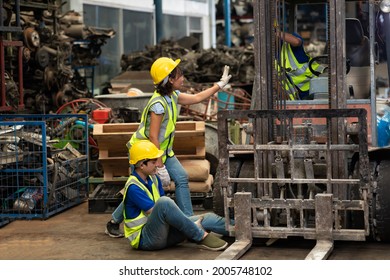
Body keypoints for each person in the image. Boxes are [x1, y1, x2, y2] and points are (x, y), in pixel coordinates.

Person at [105, 56, 232, 237]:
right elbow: (153, 136)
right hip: (145, 153)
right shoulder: (158, 105)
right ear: (170, 80)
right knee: (141, 188)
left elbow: (196, 97)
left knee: (181, 177)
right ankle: (114, 221)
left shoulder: (173, 96)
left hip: (161, 151)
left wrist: (219, 84)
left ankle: (188, 220)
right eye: (179, 75)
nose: (183, 78)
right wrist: (159, 164)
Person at [122, 140, 228, 251]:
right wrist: (187, 223)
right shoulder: (133, 187)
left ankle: (239, 229)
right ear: (142, 165)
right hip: (147, 239)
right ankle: (201, 236)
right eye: (153, 162)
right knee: (164, 202)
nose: (158, 164)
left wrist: (186, 222)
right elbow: (156, 211)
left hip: (163, 232)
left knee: (207, 218)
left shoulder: (154, 179)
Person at [277, 30, 326, 100]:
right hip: (298, 98)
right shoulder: (268, 58)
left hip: (318, 86)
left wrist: (275, 32)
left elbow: (296, 42)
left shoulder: (290, 43)